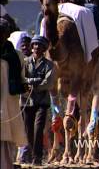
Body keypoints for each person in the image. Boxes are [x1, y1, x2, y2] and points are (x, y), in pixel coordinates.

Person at [19, 35, 55, 165]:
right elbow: (21, 79)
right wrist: (35, 81)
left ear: (44, 49)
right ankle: (27, 155)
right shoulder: (25, 62)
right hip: (27, 101)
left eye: (39, 46)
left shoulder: (49, 65)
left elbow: (49, 83)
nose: (36, 47)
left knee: (38, 128)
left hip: (42, 102)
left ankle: (37, 158)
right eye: (34, 45)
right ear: (32, 46)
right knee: (27, 129)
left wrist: (33, 84)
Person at [1, 18, 28, 169]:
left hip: (9, 102)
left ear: (6, 34)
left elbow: (22, 79)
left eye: (3, 33)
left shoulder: (17, 56)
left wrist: (24, 87)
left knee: (7, 139)